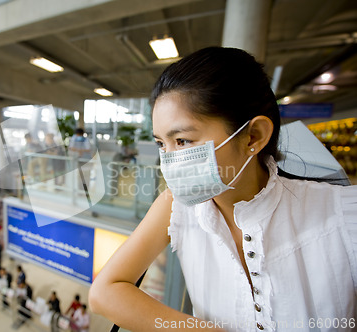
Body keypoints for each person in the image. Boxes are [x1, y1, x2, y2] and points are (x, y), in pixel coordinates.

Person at [89, 47, 357, 331]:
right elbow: (104, 292)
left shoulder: (343, 215)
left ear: (253, 136)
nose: (168, 160)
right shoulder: (176, 206)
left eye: (182, 141)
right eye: (161, 144)